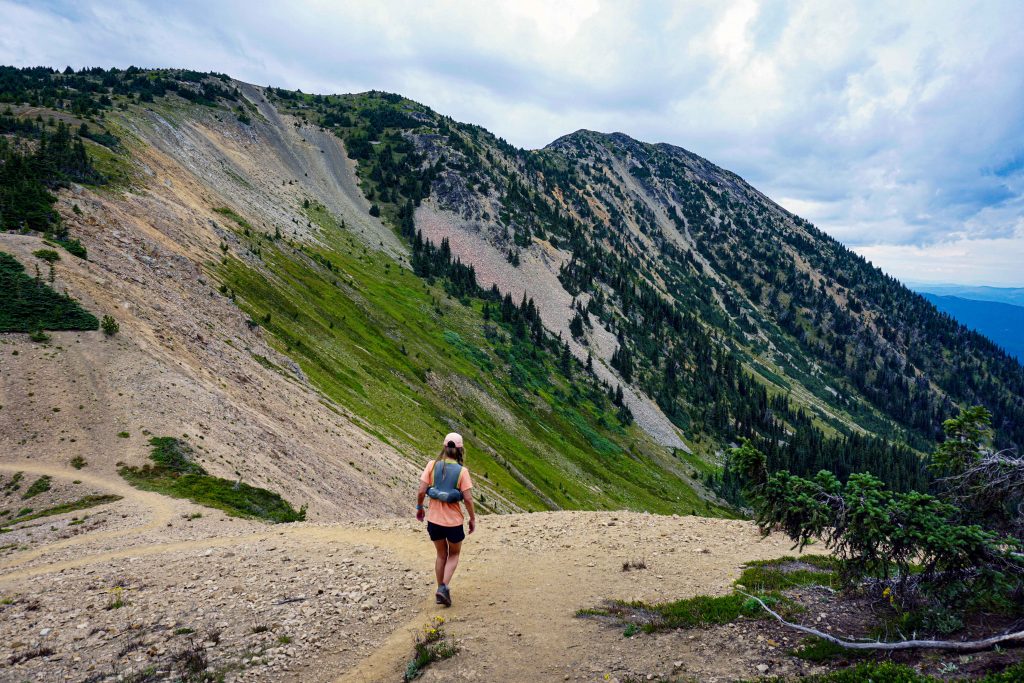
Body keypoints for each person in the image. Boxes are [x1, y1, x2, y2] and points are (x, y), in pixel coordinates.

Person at [416, 432, 476, 606]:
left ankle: (440, 590)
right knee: (454, 554)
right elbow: (468, 499)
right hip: (453, 522)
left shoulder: (431, 466)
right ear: (460, 450)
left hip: (434, 520)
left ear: (444, 447)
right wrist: (472, 519)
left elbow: (421, 491)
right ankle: (443, 588)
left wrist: (420, 508)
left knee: (441, 554)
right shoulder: (462, 471)